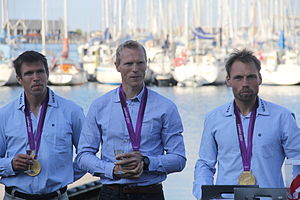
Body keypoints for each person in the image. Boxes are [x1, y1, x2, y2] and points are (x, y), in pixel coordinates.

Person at [76, 40, 186, 200]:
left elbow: (179, 159)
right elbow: (83, 156)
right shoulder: (100, 106)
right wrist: (112, 169)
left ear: (146, 64)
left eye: (140, 63)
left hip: (149, 193)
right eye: (128, 64)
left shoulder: (166, 107)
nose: (135, 69)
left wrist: (147, 162)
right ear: (117, 66)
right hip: (111, 192)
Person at [193, 49, 300, 199]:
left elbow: (297, 161)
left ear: (260, 78)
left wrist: (295, 195)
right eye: (238, 78)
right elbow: (205, 164)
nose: (245, 83)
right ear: (228, 81)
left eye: (250, 77)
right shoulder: (214, 118)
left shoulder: (282, 117)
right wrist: (203, 195)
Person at [0, 51, 85, 200]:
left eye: (40, 72)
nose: (36, 78)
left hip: (57, 196)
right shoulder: (5, 115)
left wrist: (65, 175)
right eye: (29, 73)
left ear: (48, 74)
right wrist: (10, 164)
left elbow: (86, 153)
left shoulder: (72, 111)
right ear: (19, 79)